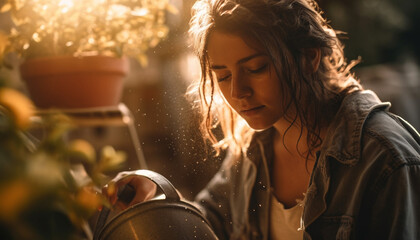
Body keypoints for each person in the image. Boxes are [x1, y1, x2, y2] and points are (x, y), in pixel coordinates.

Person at [102, 0, 420, 239]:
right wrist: (157, 192)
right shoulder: (252, 149)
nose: (238, 91)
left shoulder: (386, 159)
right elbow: (207, 224)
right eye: (223, 76)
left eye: (255, 69)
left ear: (310, 57)